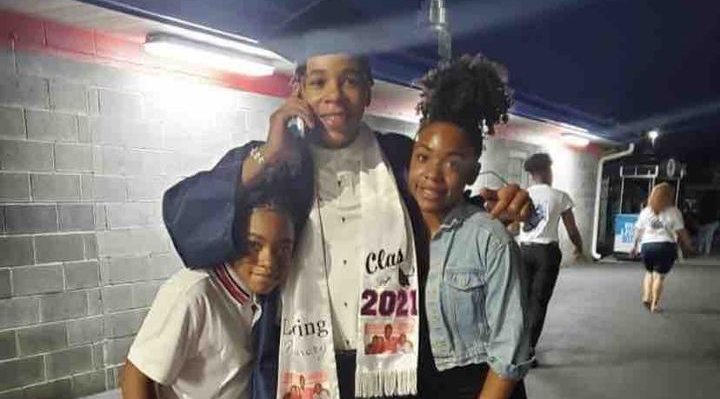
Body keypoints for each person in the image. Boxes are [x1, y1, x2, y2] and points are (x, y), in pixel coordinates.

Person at [161, 51, 532, 399]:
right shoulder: (276, 164)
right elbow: (187, 221)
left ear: (369, 91)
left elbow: (445, 206)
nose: (334, 96)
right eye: (318, 82)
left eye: (350, 81)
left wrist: (507, 203)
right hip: (296, 360)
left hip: (393, 365)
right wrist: (267, 155)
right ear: (298, 89)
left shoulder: (398, 157)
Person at [409, 54, 530, 399]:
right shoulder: (395, 229)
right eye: (423, 157)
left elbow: (510, 353)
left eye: (452, 163)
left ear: (472, 173)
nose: (433, 174)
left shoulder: (489, 239)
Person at [120, 190, 299, 399]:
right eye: (254, 245)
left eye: (283, 249)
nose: (269, 261)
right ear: (232, 239)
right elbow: (135, 377)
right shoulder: (193, 293)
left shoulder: (271, 297)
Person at [517, 152, 583, 367]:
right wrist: (579, 247)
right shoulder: (560, 196)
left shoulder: (522, 194)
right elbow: (572, 230)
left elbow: (512, 225)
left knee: (521, 300)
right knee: (538, 301)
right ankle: (527, 350)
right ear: (547, 171)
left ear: (531, 174)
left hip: (524, 251)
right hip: (547, 254)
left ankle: (515, 345)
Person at [631, 183, 695, 313]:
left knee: (649, 272)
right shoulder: (674, 211)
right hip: (665, 246)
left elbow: (638, 230)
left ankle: (646, 296)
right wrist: (689, 245)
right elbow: (681, 232)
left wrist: (634, 246)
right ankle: (654, 304)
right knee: (659, 276)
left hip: (647, 246)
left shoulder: (646, 211)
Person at [696, 191, 719, 255]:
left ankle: (700, 249)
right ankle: (706, 250)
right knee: (708, 236)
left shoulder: (703, 202)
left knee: (702, 236)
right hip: (711, 221)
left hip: (703, 221)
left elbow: (700, 211)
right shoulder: (715, 203)